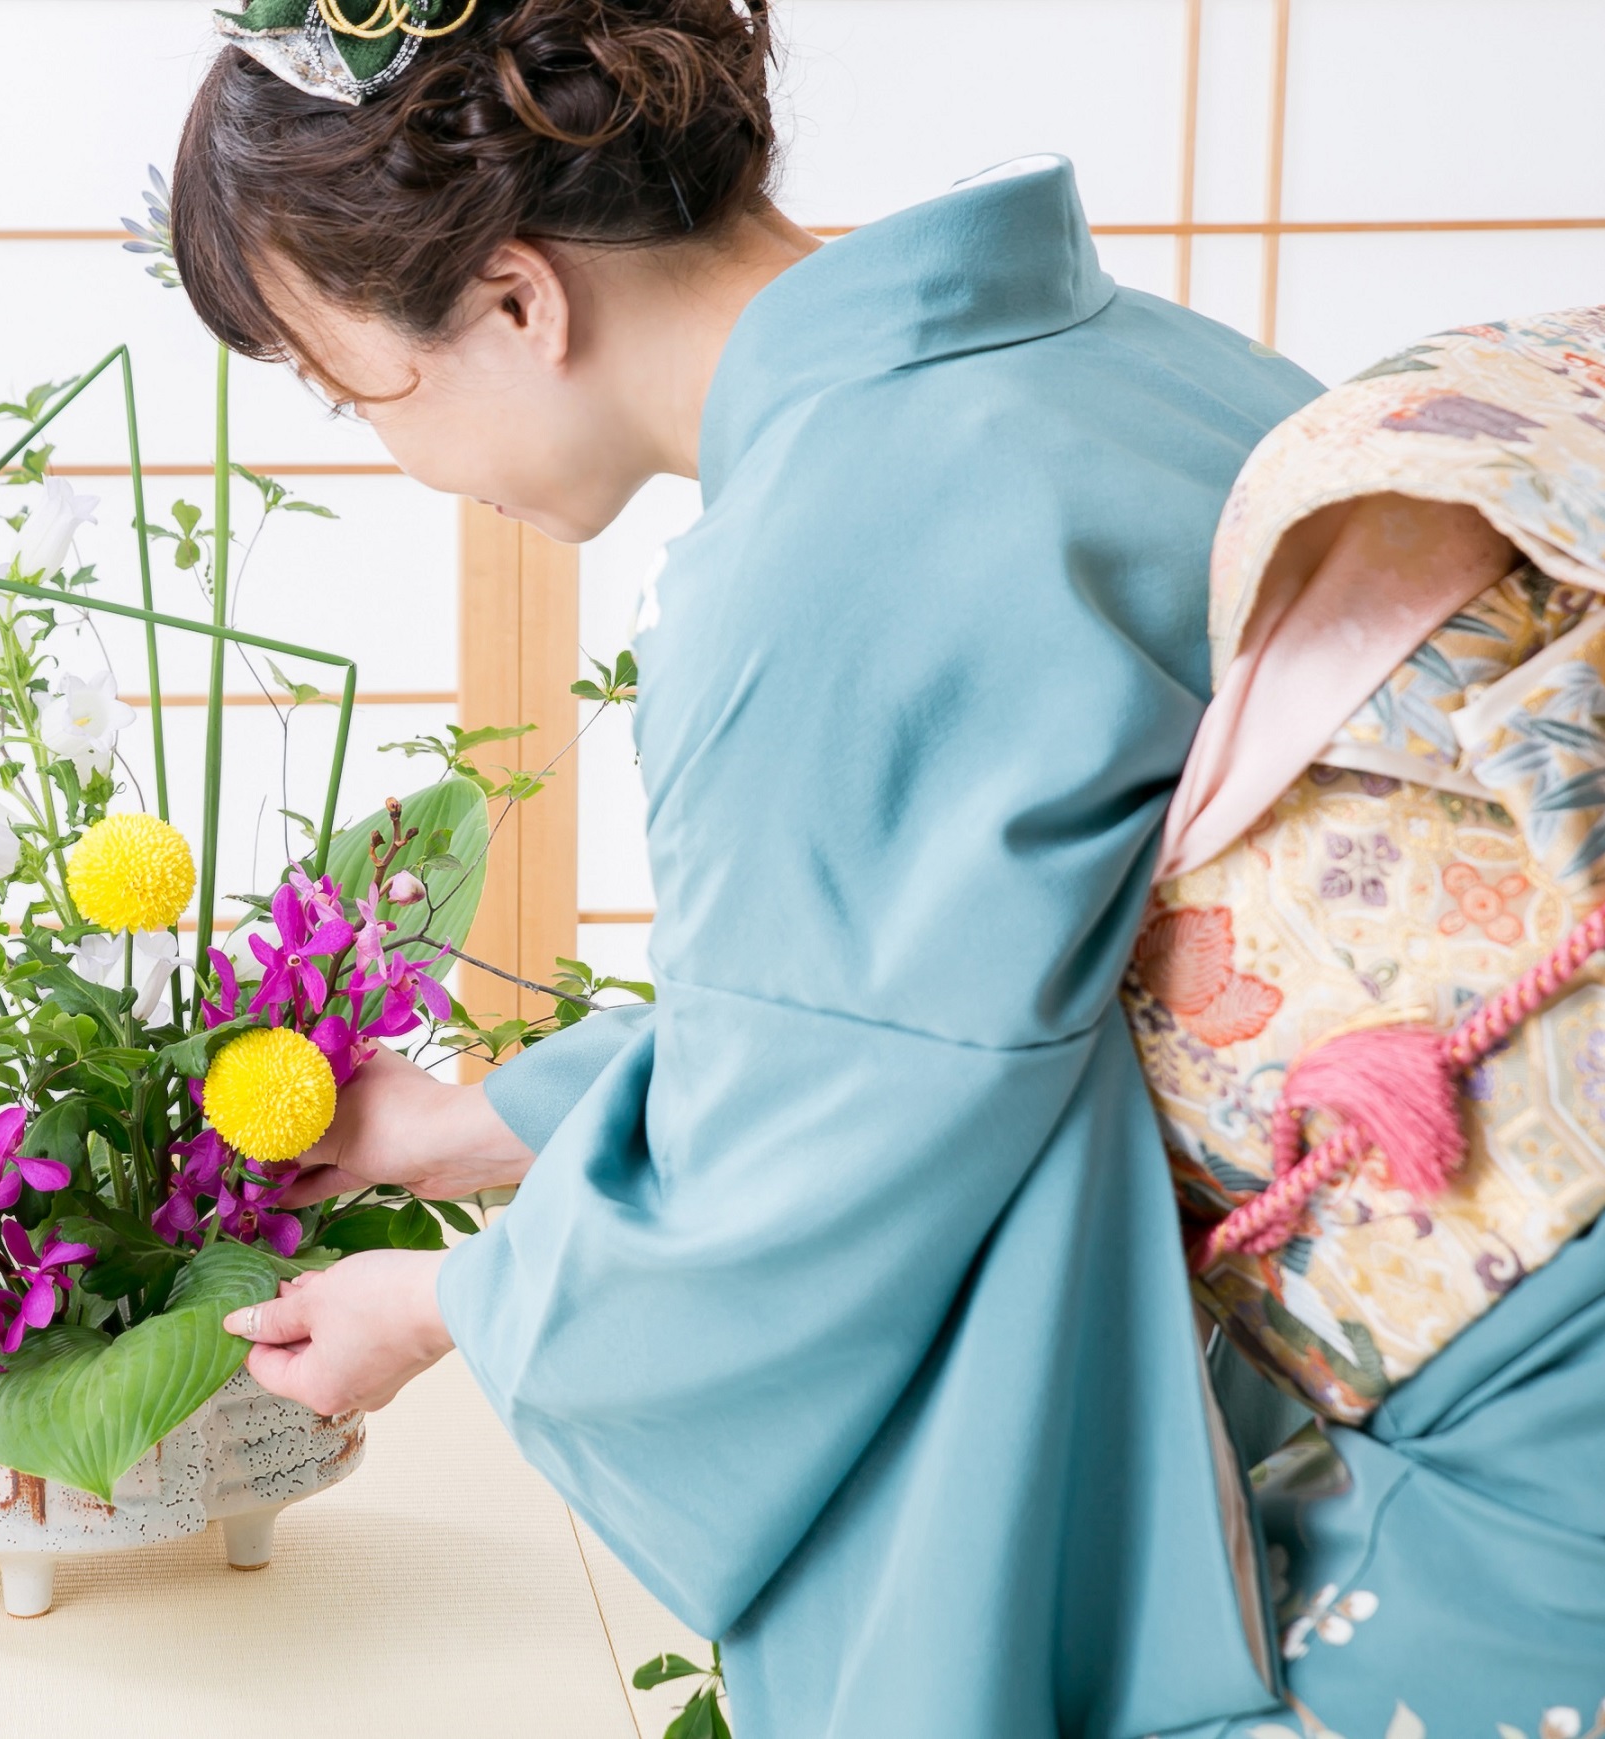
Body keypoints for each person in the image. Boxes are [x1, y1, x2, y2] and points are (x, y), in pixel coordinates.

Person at [177, 2, 1324, 1731]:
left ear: (512, 298)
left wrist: (445, 1304)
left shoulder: (814, 564)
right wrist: (469, 1127)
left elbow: (805, 1188)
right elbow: (919, 1009)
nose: (399, 456)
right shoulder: (1138, 355)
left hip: (1490, 1452)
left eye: (359, 394)